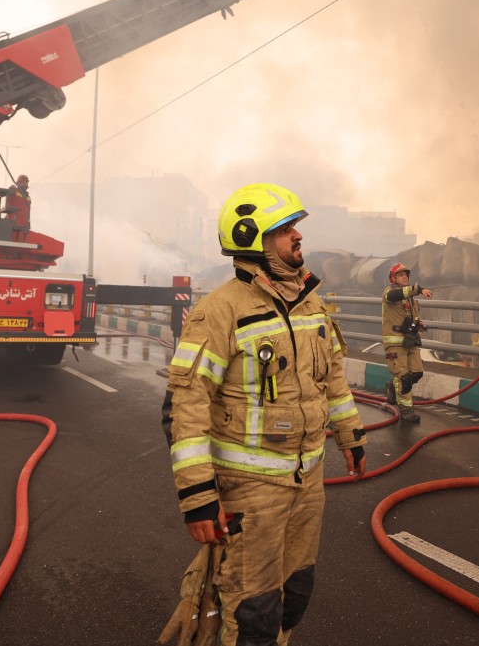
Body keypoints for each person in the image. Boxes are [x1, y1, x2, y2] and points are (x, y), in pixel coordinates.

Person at [161, 182, 367, 646]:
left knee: (294, 596)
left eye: (295, 227)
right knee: (253, 611)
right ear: (253, 239)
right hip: (251, 492)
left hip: (308, 481)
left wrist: (351, 436)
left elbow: (332, 378)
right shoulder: (220, 311)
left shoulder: (312, 303)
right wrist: (197, 497)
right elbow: (186, 405)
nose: (298, 236)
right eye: (285, 229)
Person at [382, 262, 433, 423]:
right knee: (403, 378)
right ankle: (406, 412)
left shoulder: (410, 299)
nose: (405, 277)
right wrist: (418, 289)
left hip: (410, 341)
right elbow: (397, 295)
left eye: (406, 275)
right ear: (393, 278)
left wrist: (419, 324)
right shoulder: (389, 293)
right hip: (395, 343)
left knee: (417, 373)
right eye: (400, 275)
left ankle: (392, 386)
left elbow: (410, 317)